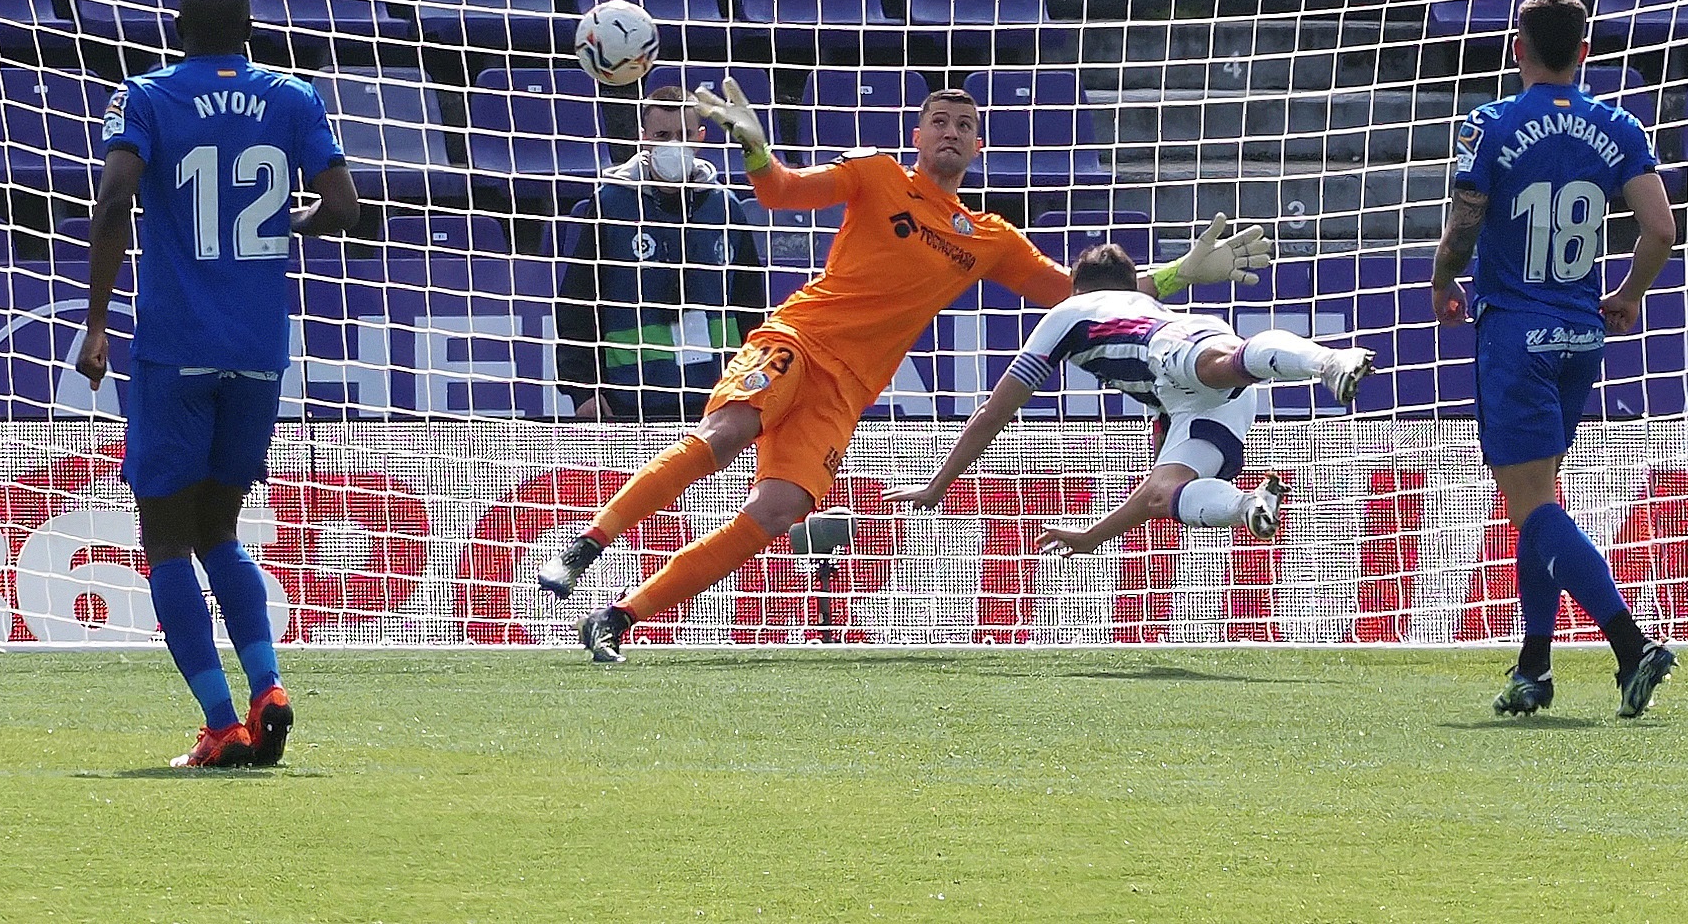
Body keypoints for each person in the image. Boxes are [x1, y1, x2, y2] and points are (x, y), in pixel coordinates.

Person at [537, 80, 1273, 660]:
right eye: (938, 121)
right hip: (798, 335)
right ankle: (586, 544)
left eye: (963, 124)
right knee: (727, 429)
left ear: (976, 145)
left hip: (847, 389)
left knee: (774, 511)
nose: (949, 131)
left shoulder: (987, 237)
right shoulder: (873, 173)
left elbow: (1083, 297)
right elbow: (783, 192)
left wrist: (1180, 273)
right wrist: (759, 152)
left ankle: (616, 617)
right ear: (917, 135)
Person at [77, 0, 359, 768]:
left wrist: (98, 321)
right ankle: (268, 683)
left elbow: (113, 198)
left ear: (178, 27)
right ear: (248, 28)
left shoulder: (147, 95)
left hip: (174, 345)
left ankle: (222, 721)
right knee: (223, 530)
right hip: (258, 349)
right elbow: (343, 208)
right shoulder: (293, 95)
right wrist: (283, 218)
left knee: (166, 537)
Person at [1431, 0, 1678, 720]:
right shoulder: (1619, 125)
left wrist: (1444, 278)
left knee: (1532, 503)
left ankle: (1631, 646)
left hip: (1516, 331)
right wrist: (1629, 294)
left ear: (1517, 48)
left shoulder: (1490, 125)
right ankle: (1533, 665)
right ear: (1584, 52)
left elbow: (1463, 230)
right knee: (1538, 500)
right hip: (1579, 333)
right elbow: (1659, 228)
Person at [886, 242, 1376, 558]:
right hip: (1195, 403)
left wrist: (938, 485)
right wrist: (1089, 537)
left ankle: (1328, 363)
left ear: (1076, 287)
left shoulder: (1069, 310)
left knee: (1220, 365)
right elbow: (1144, 502)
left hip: (1172, 349)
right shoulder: (1144, 299)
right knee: (1164, 493)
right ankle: (1247, 505)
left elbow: (996, 411)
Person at [556, 85, 763, 421]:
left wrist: (751, 385)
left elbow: (751, 307)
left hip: (717, 403)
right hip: (628, 404)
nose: (673, 144)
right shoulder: (610, 205)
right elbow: (577, 305)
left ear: (700, 137)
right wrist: (583, 390)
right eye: (663, 134)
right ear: (644, 138)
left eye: (683, 134)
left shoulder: (726, 209)